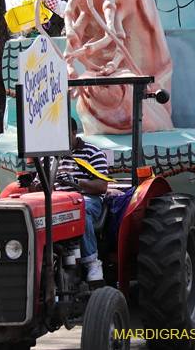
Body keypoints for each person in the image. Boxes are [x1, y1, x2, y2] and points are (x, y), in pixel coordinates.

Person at [55, 118, 108, 282]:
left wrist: (76, 182)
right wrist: (29, 184)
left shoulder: (92, 153)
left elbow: (101, 186)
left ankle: (92, 261)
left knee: (79, 208)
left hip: (86, 198)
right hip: (56, 200)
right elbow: (38, 187)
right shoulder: (49, 156)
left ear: (73, 133)